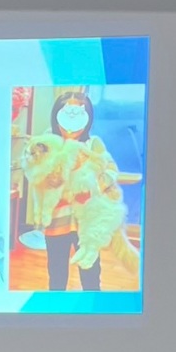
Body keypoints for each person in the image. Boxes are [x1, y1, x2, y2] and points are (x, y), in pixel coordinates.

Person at [42, 91, 116, 292]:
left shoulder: (93, 144)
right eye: (66, 115)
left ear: (87, 119)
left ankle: (93, 310)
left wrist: (93, 188)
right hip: (56, 222)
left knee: (91, 276)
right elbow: (39, 176)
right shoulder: (48, 141)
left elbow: (111, 171)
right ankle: (56, 311)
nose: (70, 126)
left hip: (87, 224)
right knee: (56, 277)